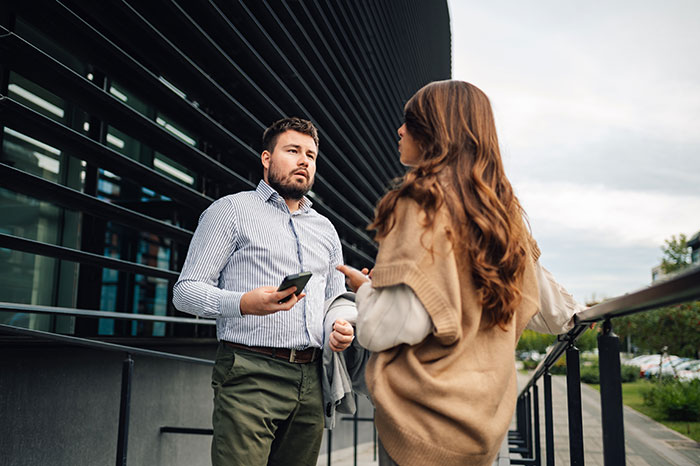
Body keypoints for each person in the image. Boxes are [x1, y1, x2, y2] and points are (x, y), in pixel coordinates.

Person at [338, 80, 583, 466]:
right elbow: (556, 315)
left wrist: (368, 291)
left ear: (436, 131)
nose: (400, 131)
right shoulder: (505, 218)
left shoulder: (422, 204)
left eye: (410, 121)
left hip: (423, 426)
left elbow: (381, 328)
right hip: (484, 425)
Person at [173, 117, 355, 466]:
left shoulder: (326, 229)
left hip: (312, 377)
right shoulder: (231, 211)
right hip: (249, 371)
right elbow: (185, 292)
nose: (304, 160)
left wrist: (341, 327)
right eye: (293, 151)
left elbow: (337, 302)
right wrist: (243, 303)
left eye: (311, 155)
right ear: (266, 158)